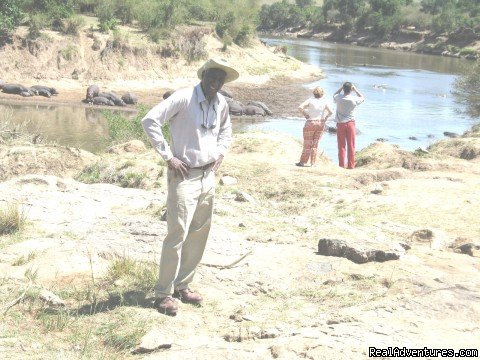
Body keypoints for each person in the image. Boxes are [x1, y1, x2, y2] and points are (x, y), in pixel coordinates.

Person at [141, 57, 238, 316]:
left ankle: (183, 285)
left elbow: (226, 130)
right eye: (212, 77)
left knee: (199, 232)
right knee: (177, 233)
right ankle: (163, 294)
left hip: (208, 176)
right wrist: (168, 156)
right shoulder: (183, 98)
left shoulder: (221, 103)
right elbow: (150, 120)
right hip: (183, 175)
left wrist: (221, 152)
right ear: (203, 75)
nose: (215, 83)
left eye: (220, 79)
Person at [296, 86, 333, 167]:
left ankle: (302, 162)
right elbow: (331, 112)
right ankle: (313, 163)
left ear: (314, 93)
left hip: (310, 122)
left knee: (307, 143)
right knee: (315, 144)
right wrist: (325, 118)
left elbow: (300, 107)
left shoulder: (310, 100)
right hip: (320, 123)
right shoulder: (325, 101)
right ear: (322, 94)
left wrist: (305, 114)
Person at [333, 82, 364, 169]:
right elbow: (362, 97)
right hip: (350, 123)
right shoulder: (354, 99)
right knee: (351, 145)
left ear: (343, 89)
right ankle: (351, 165)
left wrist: (340, 88)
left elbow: (334, 94)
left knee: (341, 146)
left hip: (340, 124)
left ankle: (341, 165)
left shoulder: (338, 97)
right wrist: (356, 90)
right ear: (351, 90)